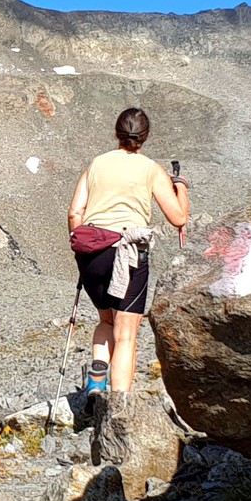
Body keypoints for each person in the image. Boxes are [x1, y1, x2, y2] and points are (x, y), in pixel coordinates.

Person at [67, 107, 188, 397]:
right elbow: (179, 217)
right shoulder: (150, 169)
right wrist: (180, 187)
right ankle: (119, 406)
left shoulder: (96, 164)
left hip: (91, 252)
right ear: (144, 137)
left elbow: (75, 213)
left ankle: (96, 383)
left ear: (116, 133)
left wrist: (82, 249)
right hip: (128, 254)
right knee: (126, 334)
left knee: (106, 321)